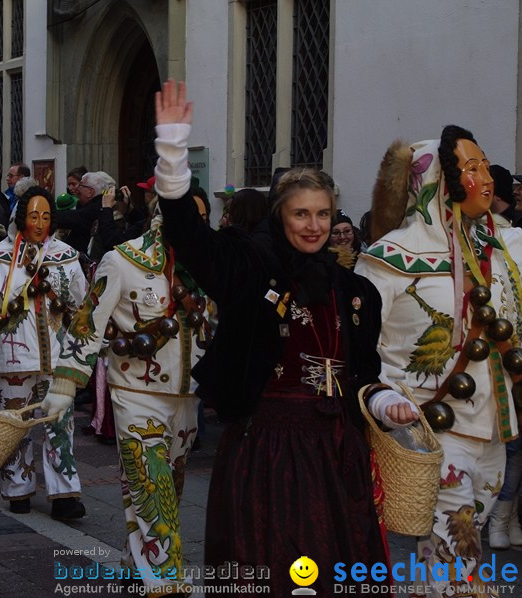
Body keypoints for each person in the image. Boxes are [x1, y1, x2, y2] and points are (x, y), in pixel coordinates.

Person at [153, 80, 390, 596]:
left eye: (323, 213)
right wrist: (172, 150)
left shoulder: (356, 291)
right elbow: (193, 241)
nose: (313, 225)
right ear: (281, 215)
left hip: (337, 454)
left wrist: (386, 399)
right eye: (301, 213)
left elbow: (366, 370)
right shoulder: (251, 268)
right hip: (269, 453)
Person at [357, 126, 522, 597]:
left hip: (492, 426)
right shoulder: (389, 259)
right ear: (437, 183)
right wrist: (386, 402)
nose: (486, 178)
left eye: (485, 165)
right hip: (431, 427)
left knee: (453, 543)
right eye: (471, 169)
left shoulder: (501, 251)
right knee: (460, 544)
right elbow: (359, 345)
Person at [44, 200, 211, 596]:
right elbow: (88, 322)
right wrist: (65, 385)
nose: (196, 225)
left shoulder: (208, 265)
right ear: (161, 216)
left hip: (188, 394)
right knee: (150, 485)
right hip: (137, 393)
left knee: (171, 482)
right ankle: (165, 581)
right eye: (188, 216)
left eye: (202, 218)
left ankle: (134, 565)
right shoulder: (122, 260)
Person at [0, 187, 89, 519]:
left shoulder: (66, 256)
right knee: (16, 425)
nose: (39, 222)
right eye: (33, 215)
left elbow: (81, 302)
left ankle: (64, 494)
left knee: (60, 425)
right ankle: (17, 488)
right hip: (13, 358)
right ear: (22, 217)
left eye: (46, 216)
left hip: (57, 359)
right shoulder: (1, 257)